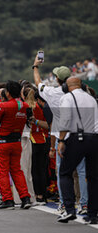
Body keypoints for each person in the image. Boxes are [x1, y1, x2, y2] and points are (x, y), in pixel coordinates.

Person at [33, 55, 88, 214]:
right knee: (82, 171)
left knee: (63, 173)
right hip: (80, 135)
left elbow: (38, 83)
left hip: (61, 137)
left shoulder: (52, 93)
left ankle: (64, 204)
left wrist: (35, 66)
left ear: (57, 79)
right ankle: (84, 204)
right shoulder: (80, 95)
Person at [56, 77, 98, 224]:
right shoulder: (91, 98)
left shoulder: (68, 97)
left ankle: (69, 210)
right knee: (93, 177)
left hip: (77, 138)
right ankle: (92, 213)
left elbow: (66, 120)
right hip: (94, 138)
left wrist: (61, 140)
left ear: (67, 87)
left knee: (65, 172)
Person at [0, 80, 31, 210]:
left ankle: (8, 199)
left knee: (2, 171)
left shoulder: (4, 106)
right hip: (16, 142)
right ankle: (25, 198)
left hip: (2, 143)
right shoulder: (25, 105)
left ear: (7, 92)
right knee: (17, 170)